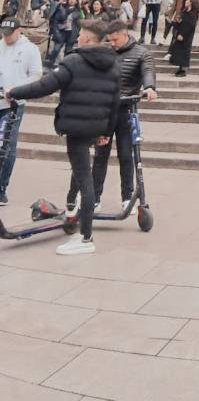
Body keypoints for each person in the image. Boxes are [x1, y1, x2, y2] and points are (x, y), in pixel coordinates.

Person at [7, 18, 120, 256]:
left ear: (88, 39)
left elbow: (44, 87)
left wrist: (13, 92)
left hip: (77, 129)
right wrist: (105, 133)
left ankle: (86, 237)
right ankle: (71, 210)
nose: (77, 37)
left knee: (85, 180)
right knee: (80, 174)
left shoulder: (74, 61)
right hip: (95, 126)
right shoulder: (113, 64)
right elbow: (114, 103)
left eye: (80, 34)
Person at [90, 20, 157, 209]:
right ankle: (94, 198)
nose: (112, 43)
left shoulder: (141, 53)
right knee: (100, 154)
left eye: (115, 39)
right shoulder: (105, 51)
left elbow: (147, 71)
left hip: (126, 109)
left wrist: (150, 87)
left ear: (124, 34)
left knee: (126, 155)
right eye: (109, 40)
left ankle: (127, 197)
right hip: (105, 110)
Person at [0, 17, 43, 204]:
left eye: (10, 34)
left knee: (7, 146)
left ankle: (1, 187)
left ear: (19, 31)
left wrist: (16, 89)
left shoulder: (29, 49)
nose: (7, 38)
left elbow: (36, 75)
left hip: (13, 104)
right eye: (4, 34)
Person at [167, 0, 199, 78]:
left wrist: (194, 21)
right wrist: (170, 16)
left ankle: (183, 68)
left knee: (185, 46)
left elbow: (198, 10)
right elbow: (174, 6)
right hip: (179, 20)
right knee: (176, 42)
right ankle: (176, 62)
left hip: (189, 22)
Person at [46, 0, 83, 68]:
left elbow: (79, 24)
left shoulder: (78, 12)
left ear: (76, 2)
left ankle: (66, 66)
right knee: (56, 49)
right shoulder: (62, 8)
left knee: (68, 50)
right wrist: (55, 30)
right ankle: (51, 63)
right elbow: (56, 19)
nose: (72, 0)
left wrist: (77, 33)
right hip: (61, 31)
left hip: (71, 33)